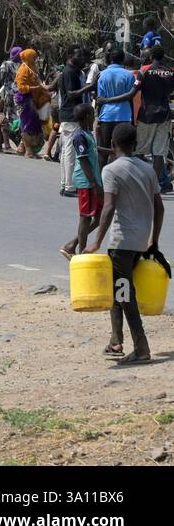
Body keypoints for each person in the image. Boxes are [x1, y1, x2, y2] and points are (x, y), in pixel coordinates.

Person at [83, 123, 162, 364]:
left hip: (121, 244)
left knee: (124, 293)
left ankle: (141, 347)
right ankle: (115, 341)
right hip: (140, 242)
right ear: (135, 144)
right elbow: (160, 207)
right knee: (119, 290)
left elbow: (108, 208)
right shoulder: (148, 169)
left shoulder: (111, 170)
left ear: (114, 145)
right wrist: (154, 240)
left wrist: (95, 242)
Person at [61, 104, 104, 258]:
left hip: (94, 180)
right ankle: (80, 254)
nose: (94, 117)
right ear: (87, 117)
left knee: (100, 217)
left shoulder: (87, 133)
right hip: (87, 182)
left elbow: (94, 149)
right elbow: (84, 161)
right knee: (85, 217)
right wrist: (94, 184)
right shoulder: (79, 136)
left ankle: (72, 244)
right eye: (93, 114)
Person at [56, 47, 95, 196]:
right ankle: (69, 187)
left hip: (69, 115)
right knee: (70, 152)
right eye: (79, 55)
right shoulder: (69, 72)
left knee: (67, 151)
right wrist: (89, 87)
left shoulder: (73, 71)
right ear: (70, 55)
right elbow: (71, 94)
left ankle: (66, 184)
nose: (82, 58)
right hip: (71, 116)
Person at [136, 45, 174, 190]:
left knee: (140, 150)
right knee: (159, 153)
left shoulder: (144, 71)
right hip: (164, 115)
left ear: (151, 56)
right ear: (163, 56)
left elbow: (135, 89)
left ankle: (140, 182)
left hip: (147, 115)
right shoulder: (169, 72)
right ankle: (154, 185)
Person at [94, 48, 138, 166]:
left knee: (103, 151)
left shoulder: (102, 75)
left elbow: (100, 100)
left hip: (107, 117)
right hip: (124, 116)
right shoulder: (129, 75)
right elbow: (130, 98)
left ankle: (102, 181)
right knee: (123, 152)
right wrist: (133, 120)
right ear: (123, 60)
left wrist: (98, 119)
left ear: (110, 59)